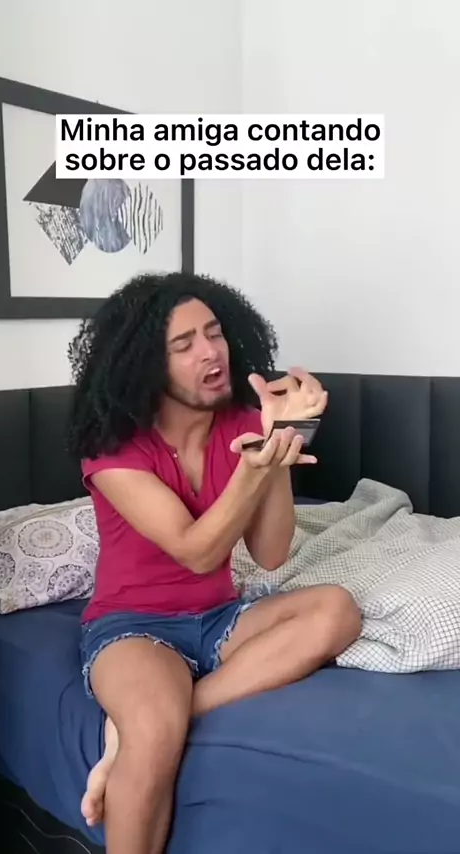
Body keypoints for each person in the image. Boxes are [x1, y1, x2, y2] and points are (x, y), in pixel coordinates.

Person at [66, 271, 361, 854]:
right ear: (147, 365)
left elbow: (270, 555)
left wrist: (282, 443)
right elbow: (197, 550)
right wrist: (253, 469)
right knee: (155, 728)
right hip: (133, 627)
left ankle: (133, 729)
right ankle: (148, 723)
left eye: (215, 332)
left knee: (337, 610)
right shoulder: (114, 448)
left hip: (219, 619)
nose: (210, 352)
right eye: (184, 344)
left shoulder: (245, 424)